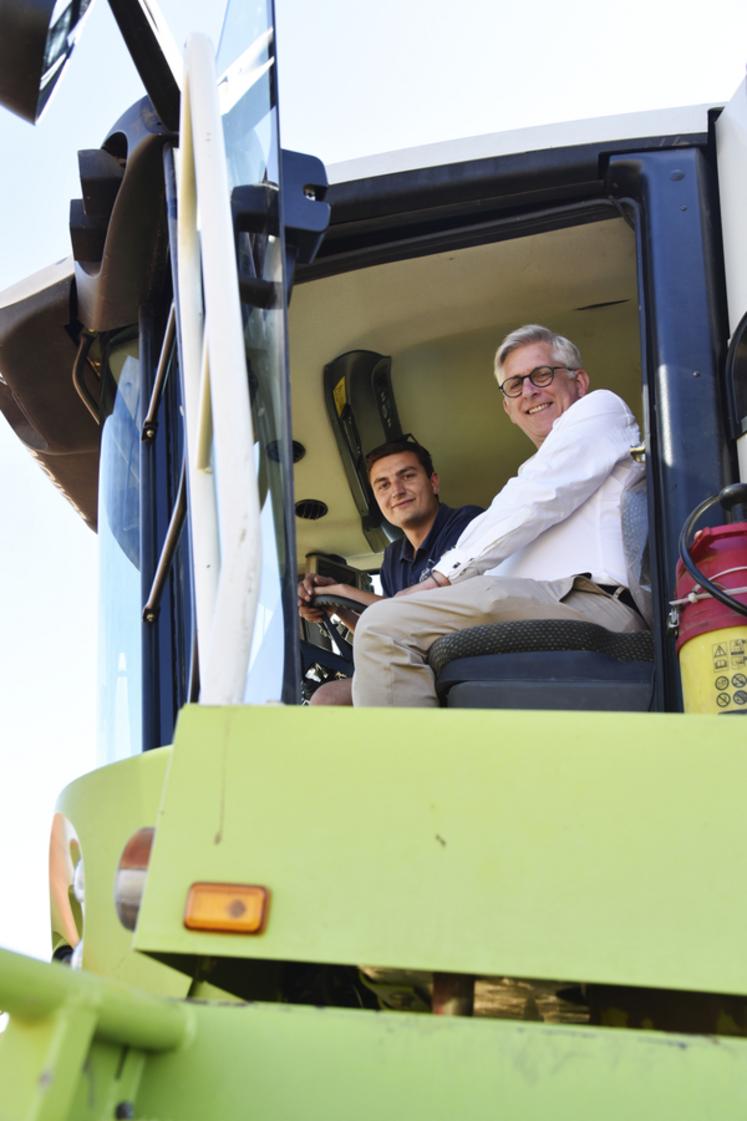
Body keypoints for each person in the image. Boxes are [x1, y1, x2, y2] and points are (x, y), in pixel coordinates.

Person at [351, 324, 648, 708]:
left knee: (382, 627)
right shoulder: (520, 494)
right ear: (508, 408)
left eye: (542, 374)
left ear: (580, 381)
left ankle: (411, 768)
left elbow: (541, 493)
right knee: (350, 682)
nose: (529, 391)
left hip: (592, 601)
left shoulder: (599, 411)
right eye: (514, 385)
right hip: (543, 603)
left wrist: (440, 579)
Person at [299, 435, 482, 704]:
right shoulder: (394, 557)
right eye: (383, 485)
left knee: (329, 698)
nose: (396, 491)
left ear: (433, 482)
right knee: (325, 697)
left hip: (465, 666)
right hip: (420, 665)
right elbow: (391, 627)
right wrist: (339, 607)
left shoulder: (467, 524)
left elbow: (416, 614)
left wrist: (342, 590)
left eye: (407, 476)